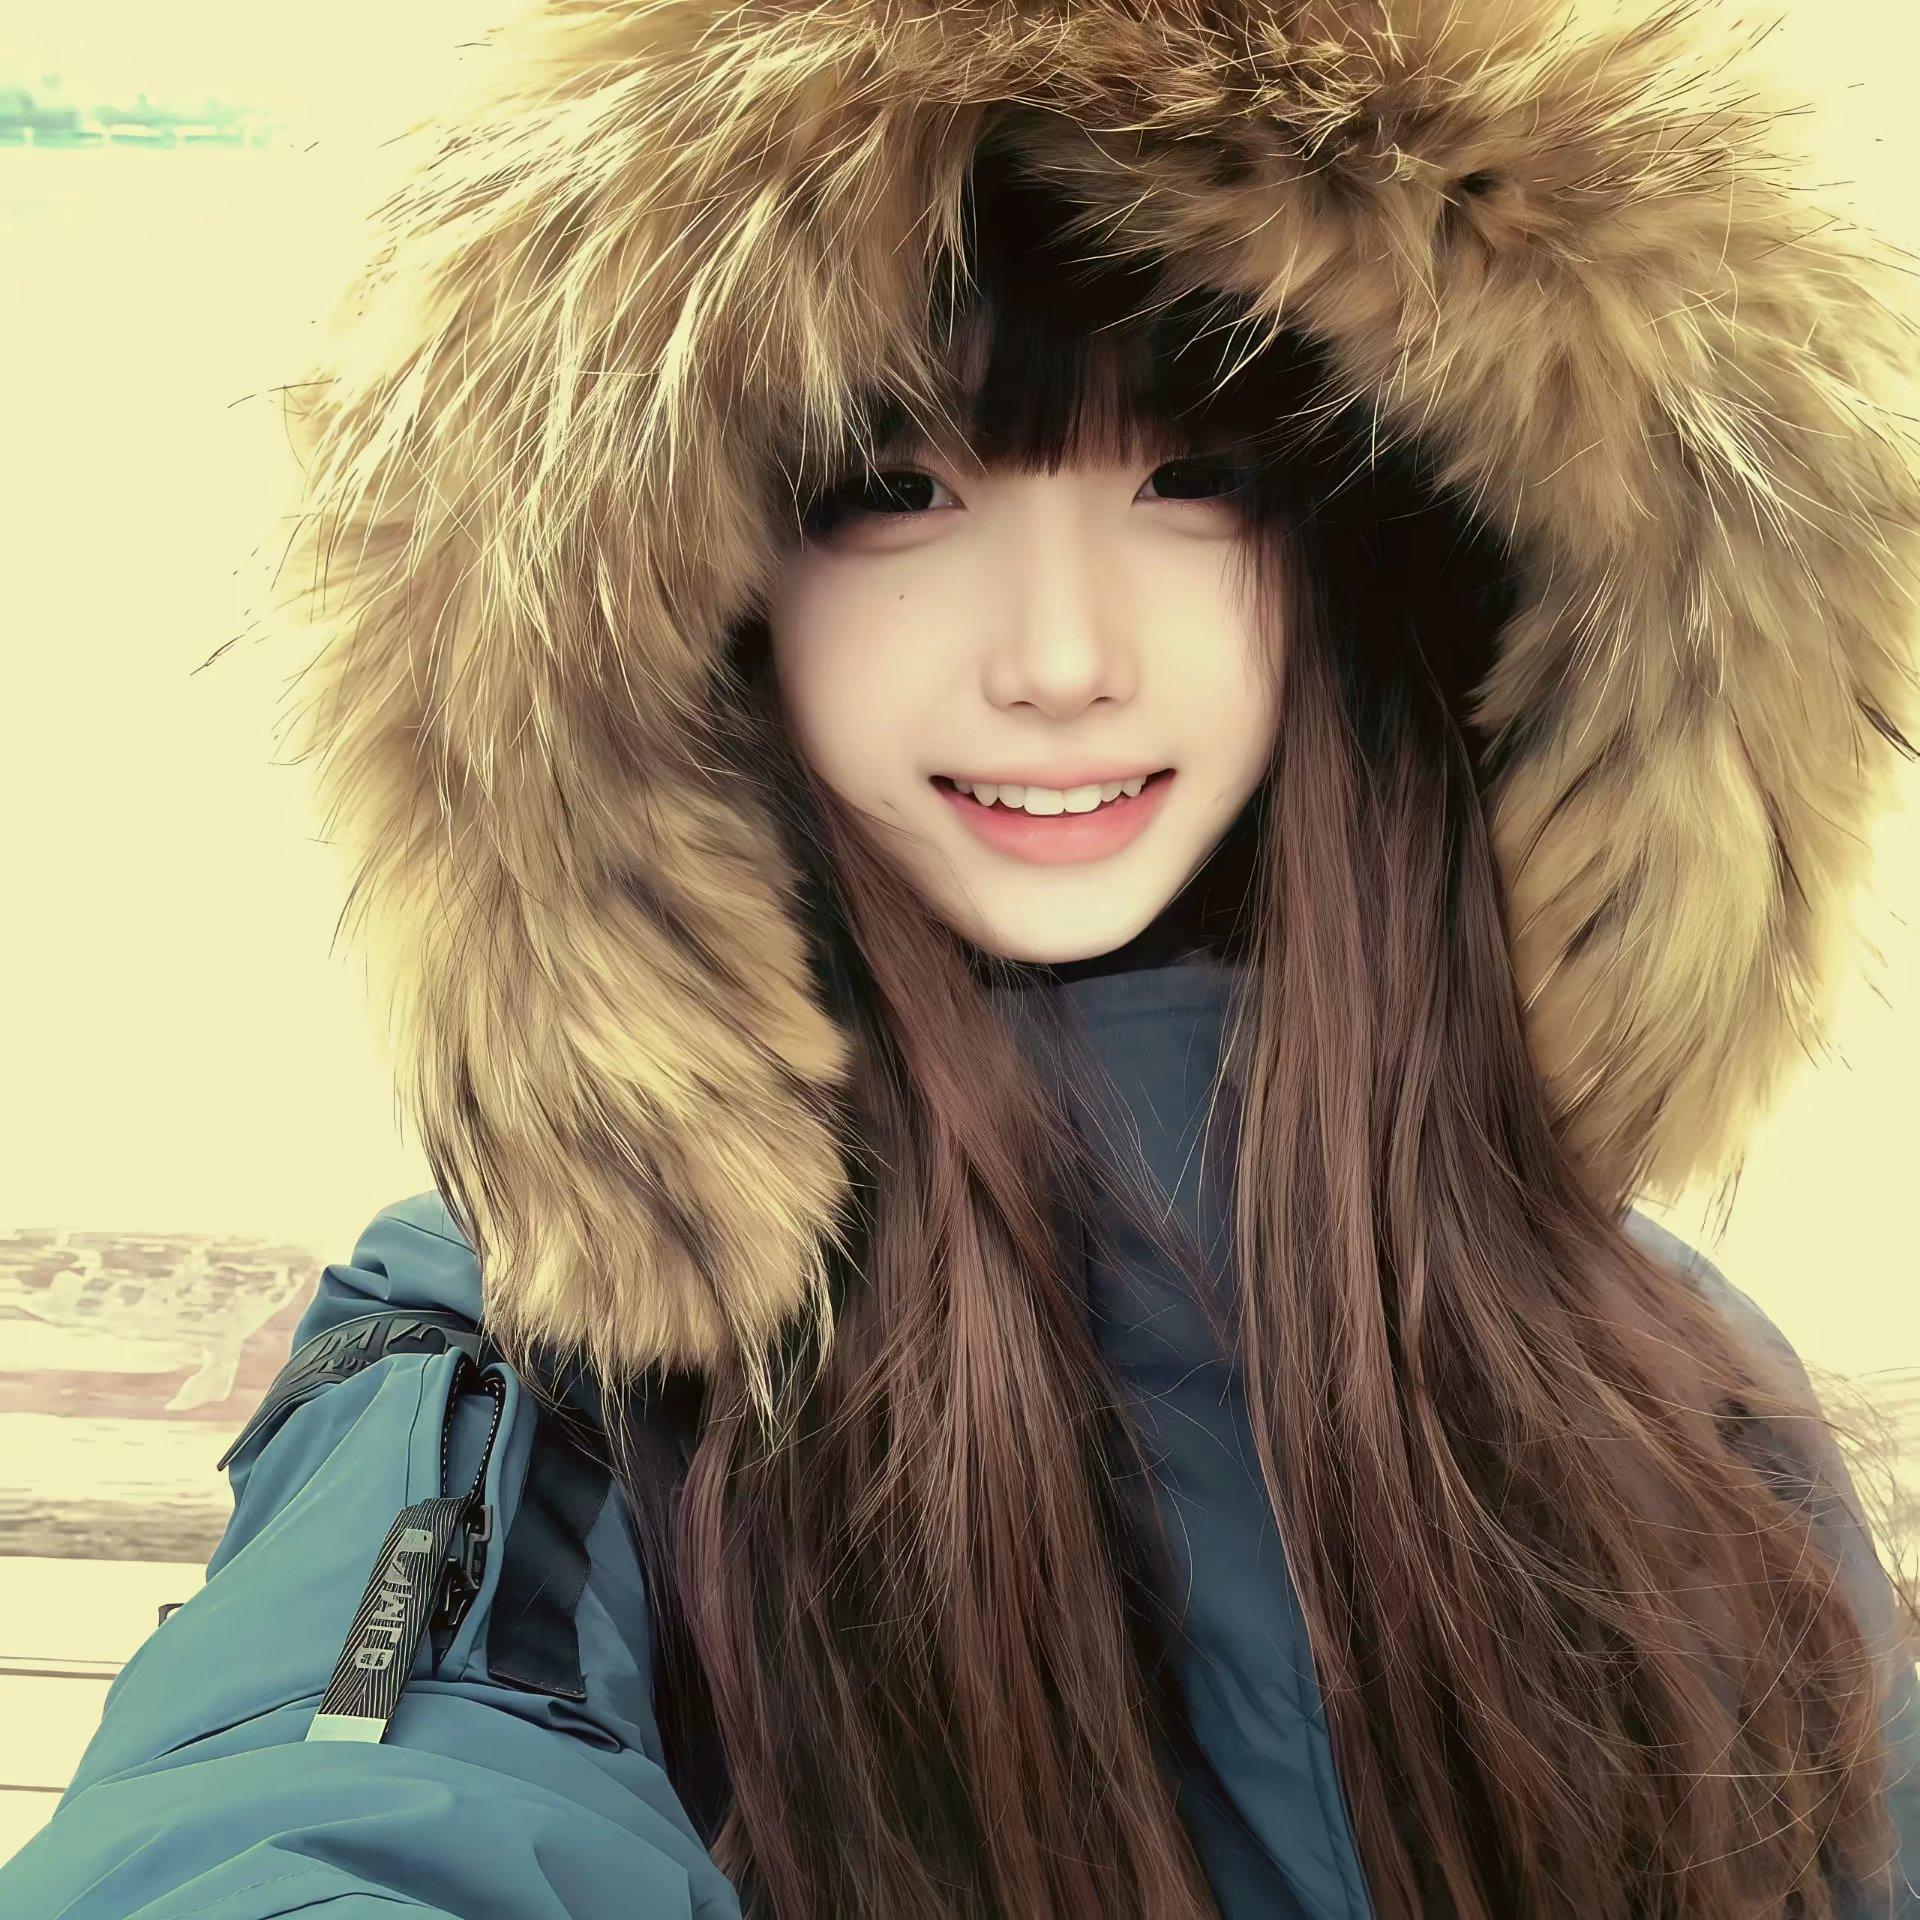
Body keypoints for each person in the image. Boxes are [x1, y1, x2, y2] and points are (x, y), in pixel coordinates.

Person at [8, 1, 1920, 1914]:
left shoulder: (1647, 1363)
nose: (1062, 660)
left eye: (1197, 481)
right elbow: (329, 1804)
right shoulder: (554, 1336)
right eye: (895, 491)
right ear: (699, 592)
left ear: (1384, 546)